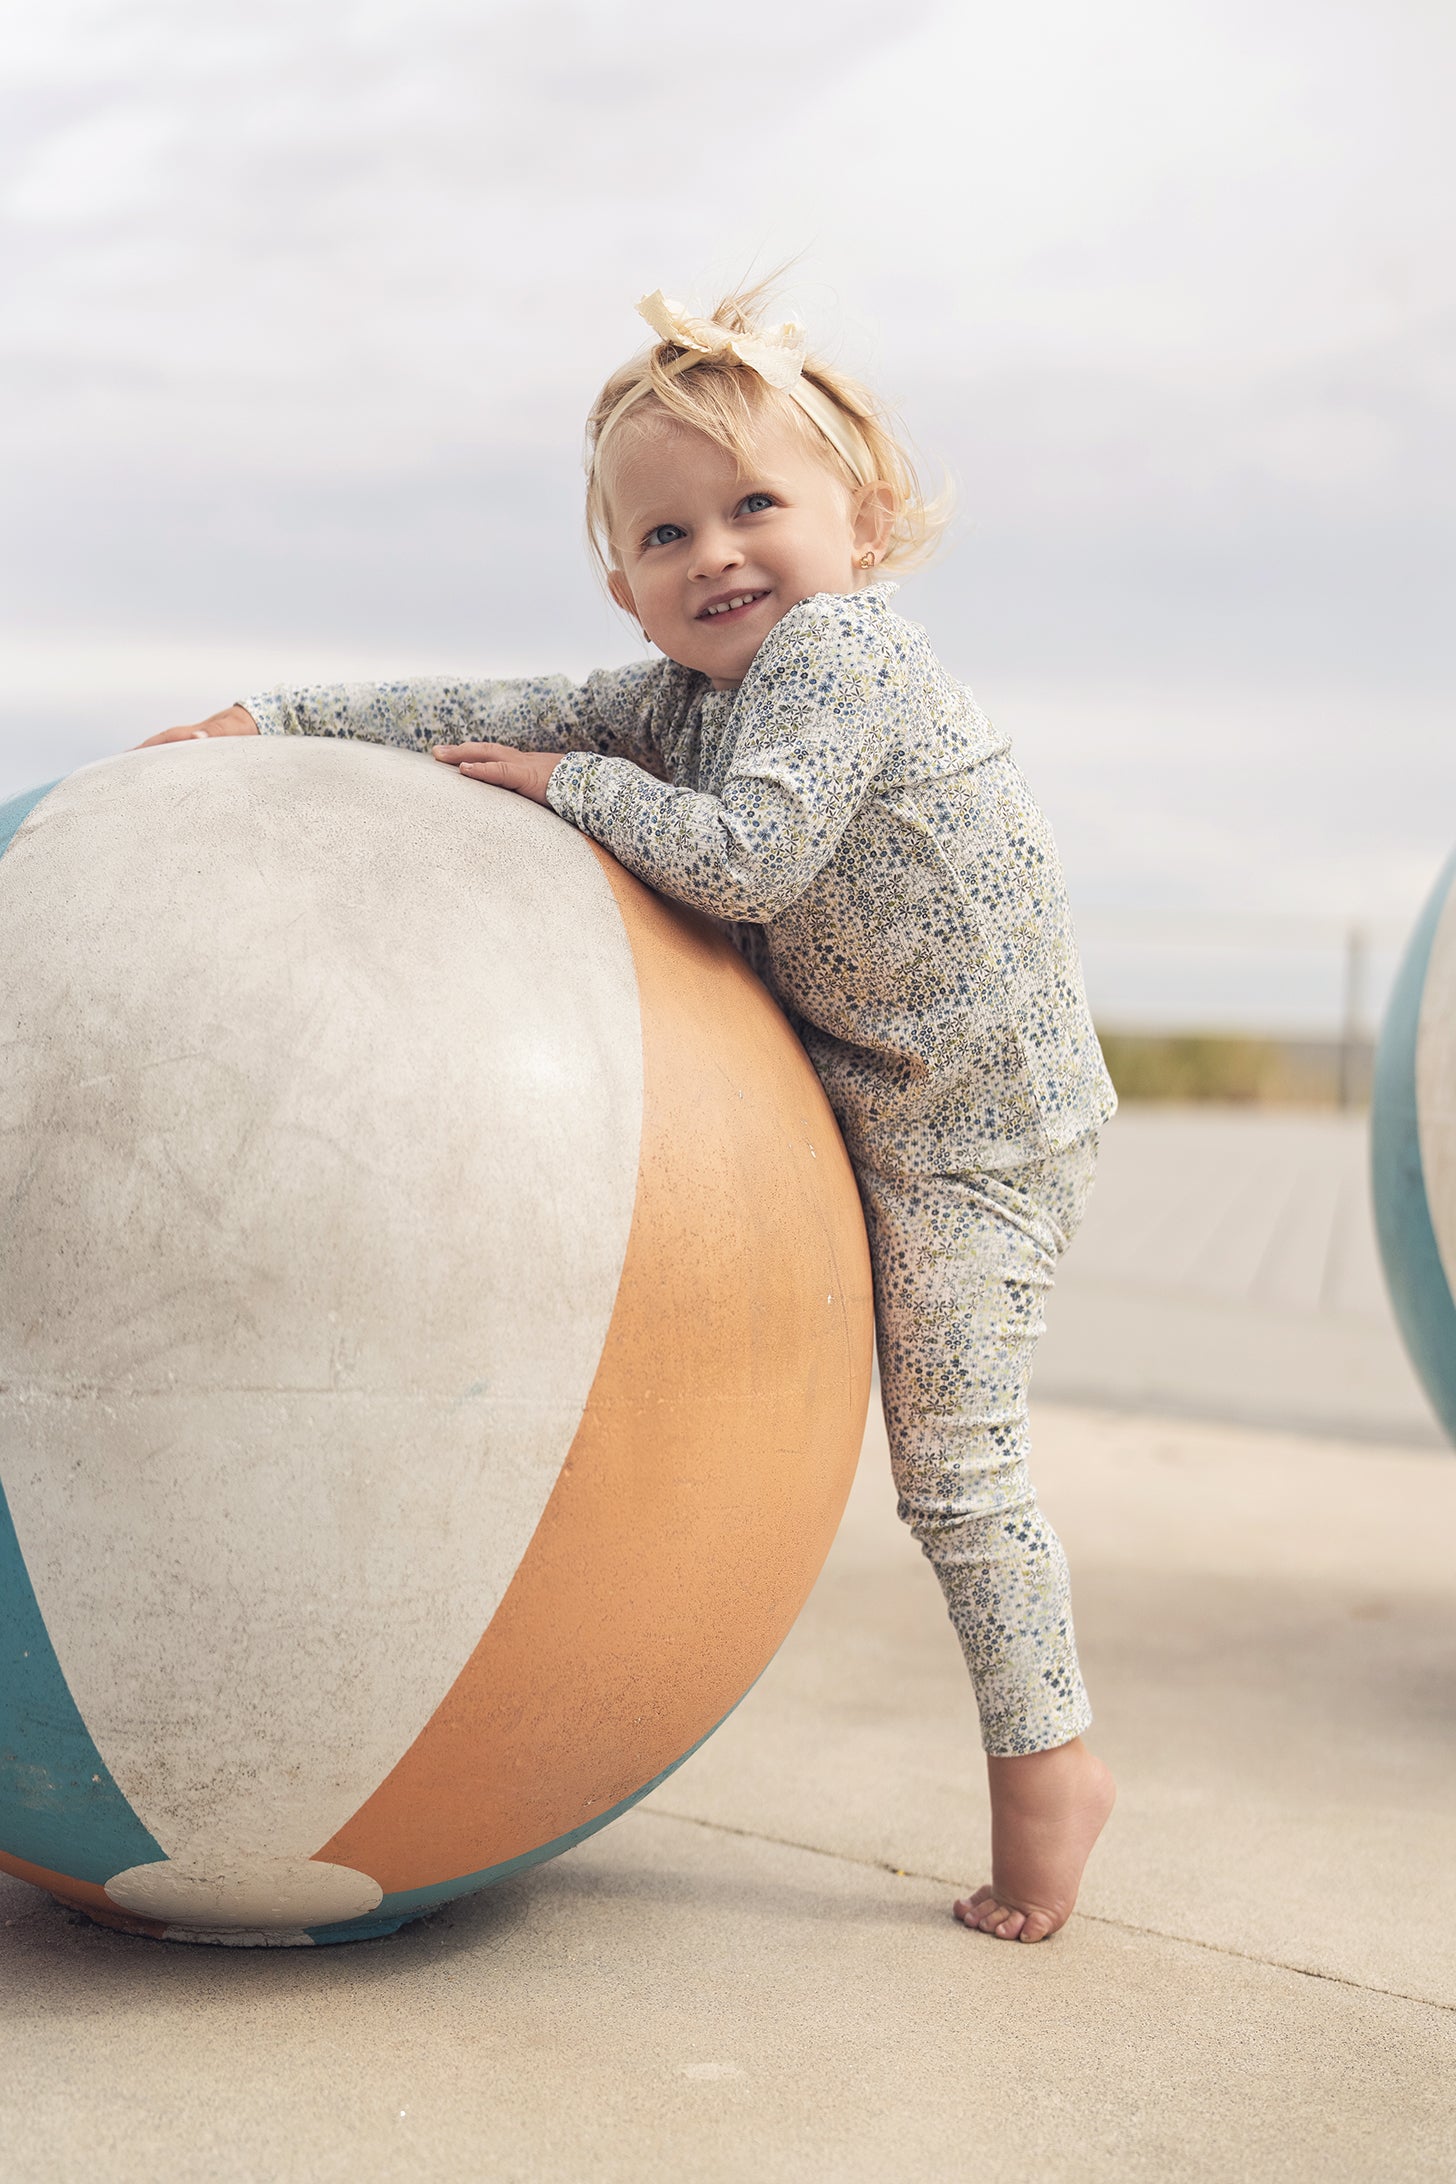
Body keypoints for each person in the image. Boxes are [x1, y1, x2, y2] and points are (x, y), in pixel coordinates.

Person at [139, 285, 1118, 1942]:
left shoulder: (841, 651)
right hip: (863, 1100)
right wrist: (273, 721)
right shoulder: (674, 696)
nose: (717, 554)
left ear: (860, 527)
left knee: (956, 1471)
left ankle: (1051, 1773)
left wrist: (563, 792)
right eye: (667, 532)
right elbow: (502, 702)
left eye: (756, 508)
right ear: (627, 588)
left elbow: (748, 858)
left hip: (977, 1140)